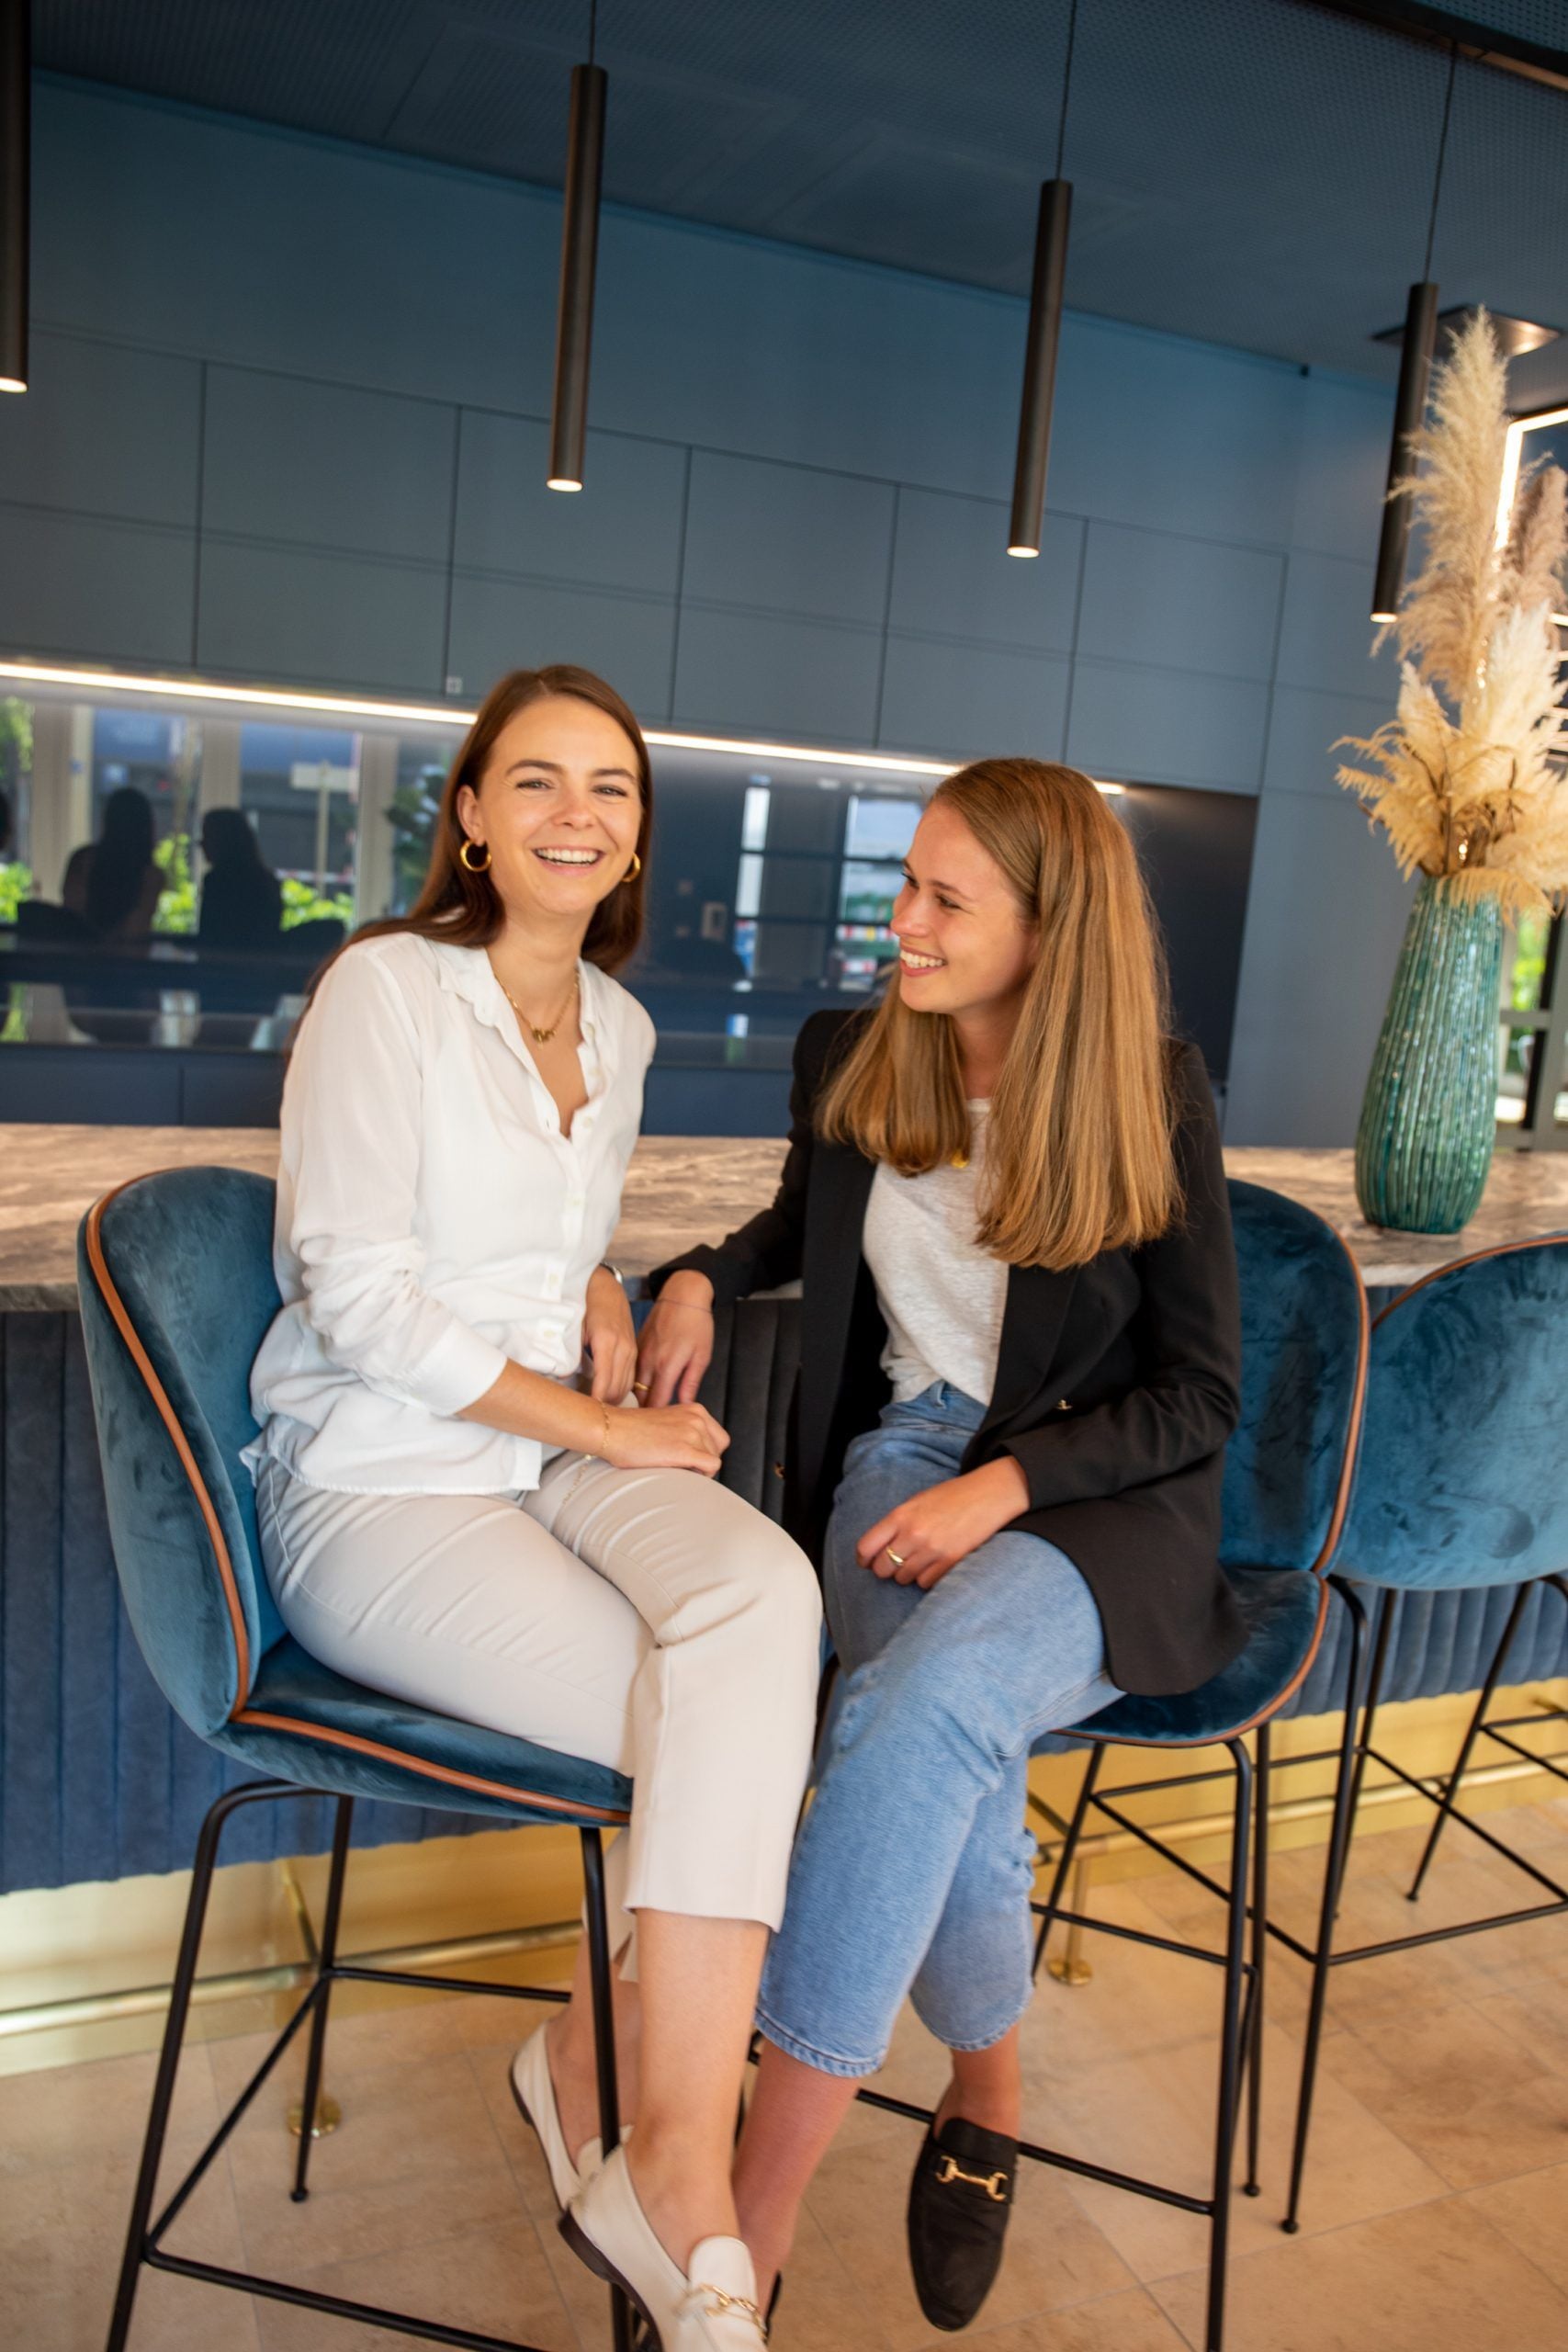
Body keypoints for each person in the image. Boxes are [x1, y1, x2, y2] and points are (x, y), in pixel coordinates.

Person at [243, 664, 821, 2352]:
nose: (578, 813)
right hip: (379, 1485)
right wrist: (595, 1421)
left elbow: (539, 1231)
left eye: (611, 789)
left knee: (768, 1609)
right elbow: (355, 1292)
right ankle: (662, 2151)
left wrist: (602, 1286)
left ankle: (602, 2080)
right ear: (471, 819)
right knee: (715, 1724)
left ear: (637, 838)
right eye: (538, 782)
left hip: (547, 1458)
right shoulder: (386, 991)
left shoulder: (618, 1030)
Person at [637, 758, 1242, 2334]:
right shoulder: (854, 1052)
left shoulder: (1151, 1089)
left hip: (1093, 1501)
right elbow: (799, 1225)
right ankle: (985, 2097)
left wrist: (1011, 1485)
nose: (899, 921)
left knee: (918, 1709)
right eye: (904, 883)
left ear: (1050, 929)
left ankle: (745, 2219)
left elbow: (1199, 1394)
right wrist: (701, 1272)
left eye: (943, 899)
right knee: (930, 1729)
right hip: (899, 1458)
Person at [62, 785, 162, 937]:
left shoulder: (83, 860)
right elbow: (136, 929)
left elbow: (71, 916)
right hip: (125, 952)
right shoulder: (151, 875)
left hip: (82, 949)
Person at [197, 807, 282, 951]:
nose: (202, 844)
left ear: (222, 841)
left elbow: (210, 936)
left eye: (207, 837)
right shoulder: (267, 881)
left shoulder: (217, 882)